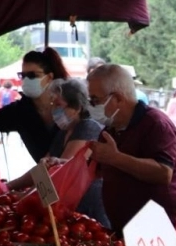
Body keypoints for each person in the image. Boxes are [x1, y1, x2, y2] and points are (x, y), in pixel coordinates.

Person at [86, 64, 176, 235]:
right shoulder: (110, 130)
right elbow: (95, 169)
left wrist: (115, 158)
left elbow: (164, 173)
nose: (91, 106)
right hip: (128, 231)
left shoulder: (156, 124)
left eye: (95, 100)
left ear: (118, 98)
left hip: (161, 235)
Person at [6, 78, 109, 227]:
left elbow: (61, 175)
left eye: (59, 105)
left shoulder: (87, 128)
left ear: (77, 107)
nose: (54, 110)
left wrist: (25, 196)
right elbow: (43, 168)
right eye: (53, 105)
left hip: (87, 208)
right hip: (68, 208)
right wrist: (11, 186)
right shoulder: (64, 131)